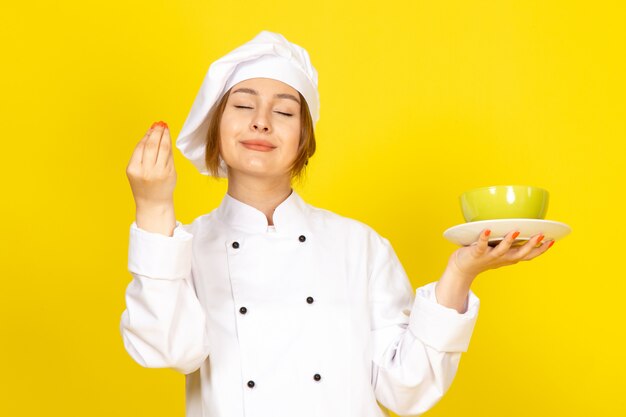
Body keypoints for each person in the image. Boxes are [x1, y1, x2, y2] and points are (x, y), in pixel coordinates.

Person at [120, 31, 553, 417]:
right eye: (244, 105)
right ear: (216, 129)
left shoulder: (359, 245)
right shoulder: (182, 247)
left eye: (285, 112)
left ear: (304, 142)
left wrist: (461, 272)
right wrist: (154, 210)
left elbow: (406, 390)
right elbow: (169, 350)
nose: (261, 121)